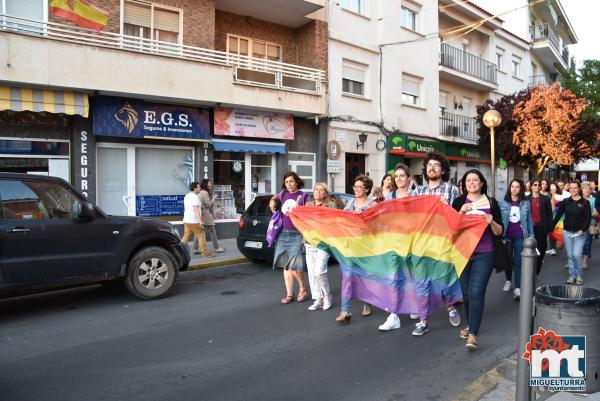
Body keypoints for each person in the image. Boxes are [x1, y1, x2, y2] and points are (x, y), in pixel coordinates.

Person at [452, 169, 503, 350]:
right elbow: (451, 230)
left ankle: (473, 334)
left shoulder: (491, 203)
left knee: (476, 291)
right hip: (463, 253)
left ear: (481, 183)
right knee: (465, 292)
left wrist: (492, 221)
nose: (472, 183)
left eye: (475, 180)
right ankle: (470, 324)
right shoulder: (459, 202)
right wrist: (459, 213)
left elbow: (499, 232)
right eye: (468, 181)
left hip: (485, 253)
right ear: (464, 185)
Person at [411, 151, 461, 336]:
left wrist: (445, 206)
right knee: (422, 283)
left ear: (443, 170)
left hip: (443, 244)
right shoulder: (418, 192)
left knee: (443, 280)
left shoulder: (452, 190)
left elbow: (458, 217)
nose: (432, 168)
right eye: (429, 165)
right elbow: (412, 218)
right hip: (421, 245)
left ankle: (449, 305)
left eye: (436, 165)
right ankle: (423, 321)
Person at [336, 174, 377, 324]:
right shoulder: (350, 203)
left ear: (366, 189)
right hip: (350, 246)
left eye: (359, 187)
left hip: (366, 247)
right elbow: (344, 221)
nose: (356, 189)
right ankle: (345, 310)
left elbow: (375, 226)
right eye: (355, 186)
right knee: (347, 277)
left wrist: (363, 218)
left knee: (365, 277)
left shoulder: (373, 205)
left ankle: (367, 303)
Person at [378, 164, 414, 331]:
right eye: (396, 176)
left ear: (409, 178)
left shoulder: (416, 196)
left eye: (402, 176)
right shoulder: (389, 196)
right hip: (393, 243)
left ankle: (414, 306)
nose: (399, 179)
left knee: (411, 277)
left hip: (412, 243)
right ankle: (394, 316)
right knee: (393, 278)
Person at [273, 172, 311, 304]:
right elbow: (273, 198)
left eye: (291, 181)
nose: (289, 184)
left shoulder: (304, 196)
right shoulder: (283, 194)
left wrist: (299, 210)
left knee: (294, 265)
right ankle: (289, 294)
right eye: (286, 182)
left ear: (296, 182)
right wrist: (272, 203)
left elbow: (309, 213)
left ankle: (302, 288)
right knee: (285, 265)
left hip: (297, 233)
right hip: (283, 233)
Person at [304, 183, 340, 311]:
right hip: (309, 243)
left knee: (319, 271)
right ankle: (318, 299)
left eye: (321, 190)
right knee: (312, 273)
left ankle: (327, 296)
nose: (318, 192)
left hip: (323, 243)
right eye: (316, 189)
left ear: (325, 193)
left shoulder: (331, 204)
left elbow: (334, 221)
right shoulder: (307, 205)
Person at [553, 181, 592, 285]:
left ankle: (578, 275)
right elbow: (558, 215)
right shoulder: (566, 201)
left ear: (579, 189)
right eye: (571, 188)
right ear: (569, 189)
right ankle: (571, 275)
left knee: (576, 254)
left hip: (580, 233)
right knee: (570, 255)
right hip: (567, 232)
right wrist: (550, 226)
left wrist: (582, 230)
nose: (573, 190)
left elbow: (588, 218)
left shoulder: (585, 203)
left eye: (575, 188)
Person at [500, 179, 533, 300]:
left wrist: (531, 237)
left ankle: (518, 287)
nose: (514, 189)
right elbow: (499, 220)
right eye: (512, 186)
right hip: (506, 236)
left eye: (517, 187)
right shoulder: (503, 202)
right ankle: (508, 280)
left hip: (520, 236)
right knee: (508, 261)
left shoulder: (525, 203)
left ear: (521, 189)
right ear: (509, 188)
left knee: (518, 261)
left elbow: (529, 220)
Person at [181, 182, 215, 258]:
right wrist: (200, 221)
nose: (200, 188)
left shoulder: (187, 196)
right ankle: (205, 253)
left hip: (187, 220)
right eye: (198, 187)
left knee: (186, 237)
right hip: (194, 221)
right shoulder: (195, 197)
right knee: (201, 235)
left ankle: (179, 251)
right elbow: (196, 209)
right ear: (194, 188)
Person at [527, 178, 553, 275]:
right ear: (531, 187)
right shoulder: (526, 199)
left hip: (542, 228)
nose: (537, 186)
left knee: (541, 250)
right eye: (535, 185)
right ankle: (529, 270)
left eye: (539, 185)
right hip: (530, 229)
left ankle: (536, 271)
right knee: (529, 249)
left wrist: (549, 228)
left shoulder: (545, 199)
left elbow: (549, 214)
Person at [193, 179, 225, 254]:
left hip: (199, 213)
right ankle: (216, 248)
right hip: (205, 214)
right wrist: (213, 198)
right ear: (206, 184)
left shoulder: (199, 192)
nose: (211, 185)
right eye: (210, 183)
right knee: (212, 230)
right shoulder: (205, 193)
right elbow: (208, 204)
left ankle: (195, 249)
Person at [581, 181, 598, 269]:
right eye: (585, 189)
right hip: (577, 225)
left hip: (590, 225)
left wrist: (585, 213)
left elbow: (595, 213)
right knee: (576, 244)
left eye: (589, 189)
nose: (587, 191)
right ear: (581, 190)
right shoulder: (578, 199)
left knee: (587, 243)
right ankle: (573, 260)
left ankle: (584, 260)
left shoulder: (594, 200)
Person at [546, 182, 562, 256]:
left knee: (558, 231)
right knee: (551, 232)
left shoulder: (561, 196)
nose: (552, 189)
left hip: (560, 217)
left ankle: (560, 242)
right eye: (551, 187)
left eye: (554, 187)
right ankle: (552, 248)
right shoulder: (547, 196)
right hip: (550, 216)